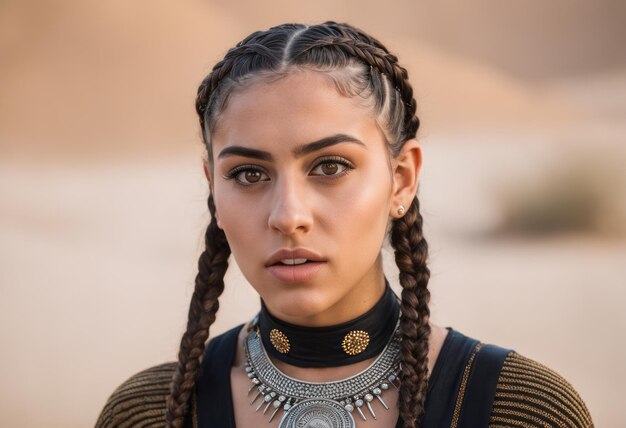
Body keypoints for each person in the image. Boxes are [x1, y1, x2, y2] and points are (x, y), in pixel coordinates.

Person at [96, 22, 594, 428]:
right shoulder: (149, 414)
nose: (288, 216)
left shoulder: (518, 410)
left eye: (330, 167)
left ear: (401, 180)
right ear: (213, 191)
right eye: (249, 174)